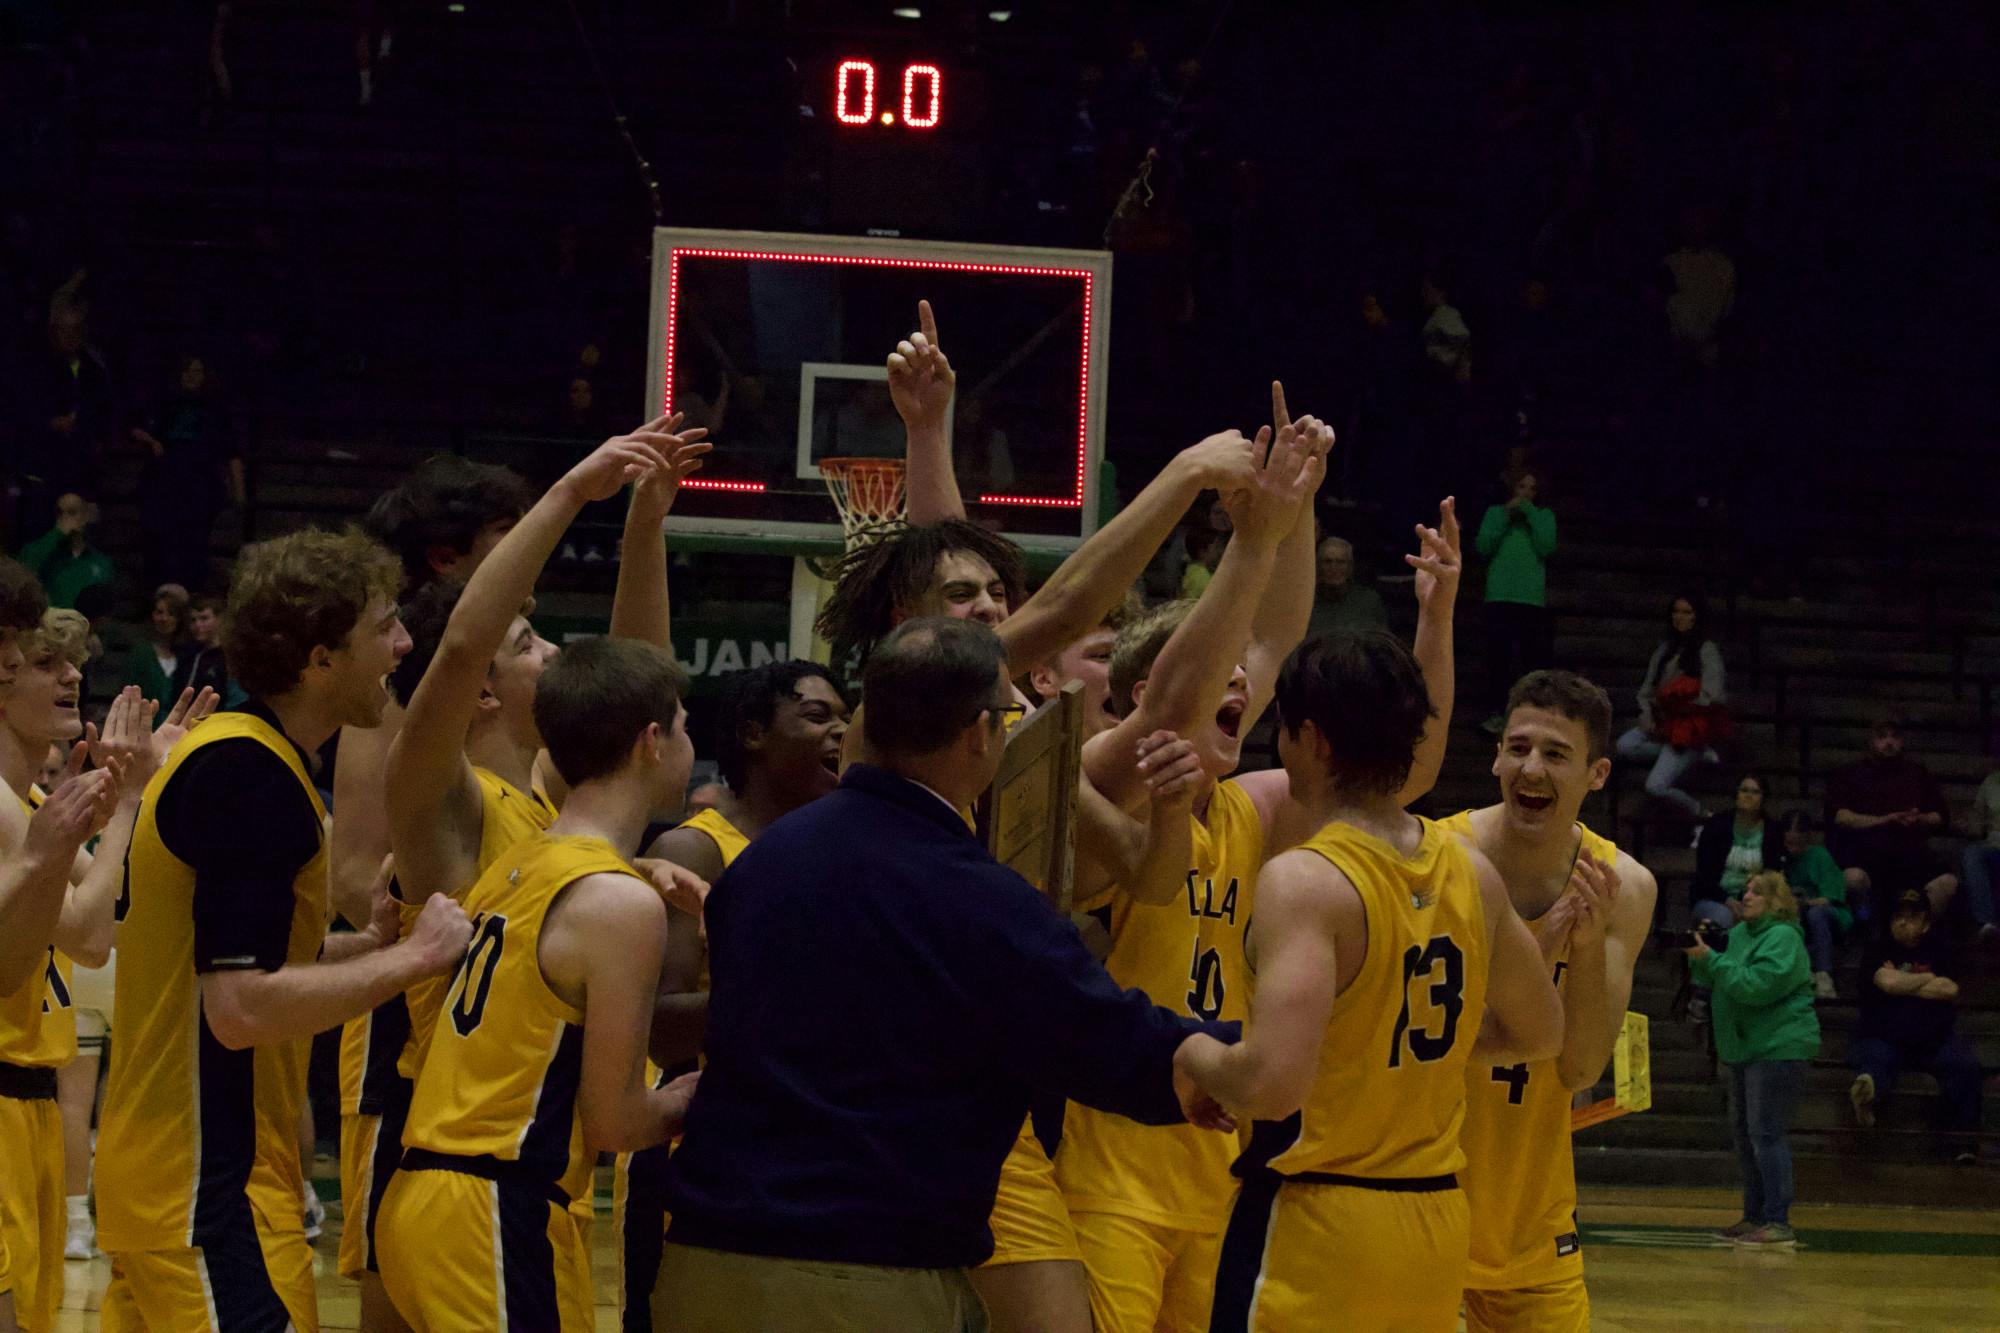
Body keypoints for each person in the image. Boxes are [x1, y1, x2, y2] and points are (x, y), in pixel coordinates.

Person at [654, 618, 1237, 1333]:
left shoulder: (762, 861)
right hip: (856, 1280)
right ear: (980, 734)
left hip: (701, 1266)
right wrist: (1230, 1058)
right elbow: (1100, 1038)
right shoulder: (975, 893)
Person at [330, 421, 705, 1332]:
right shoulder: (446, 799)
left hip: (510, 1145)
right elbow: (463, 647)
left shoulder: (545, 807)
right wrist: (572, 491)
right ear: (487, 688)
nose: (556, 654)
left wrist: (645, 526)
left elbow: (640, 693)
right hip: (427, 1112)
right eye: (531, 641)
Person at [94, 528, 474, 1333]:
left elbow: (233, 963)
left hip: (174, 1181)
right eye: (383, 627)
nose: (403, 645)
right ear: (320, 658)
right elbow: (240, 1007)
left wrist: (368, 948)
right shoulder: (249, 776)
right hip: (205, 1188)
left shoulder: (243, 755)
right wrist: (414, 958)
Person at [1177, 633, 1564, 1333]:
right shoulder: (1471, 871)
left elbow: (1272, 1085)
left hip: (1317, 1223)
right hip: (1434, 1225)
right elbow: (1541, 1031)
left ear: (1312, 739)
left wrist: (1193, 1052)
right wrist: (1393, 1050)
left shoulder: (1306, 879)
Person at [1053, 406, 1331, 1333]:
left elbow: (1275, 638)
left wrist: (1296, 508)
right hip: (1109, 1168)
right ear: (1147, 693)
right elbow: (1190, 691)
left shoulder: (1244, 808)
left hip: (1206, 1165)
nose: (1244, 687)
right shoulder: (1110, 787)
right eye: (1223, 679)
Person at [376, 636, 703, 1332]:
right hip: (494, 1204)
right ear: (651, 741)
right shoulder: (619, 902)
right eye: (683, 725)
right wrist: (691, 1095)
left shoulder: (521, 860)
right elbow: (616, 1121)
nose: (690, 741)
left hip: (430, 1195)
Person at [616, 659, 852, 1330]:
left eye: (846, 717)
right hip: (697, 1148)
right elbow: (661, 1028)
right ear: (753, 733)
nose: (841, 731)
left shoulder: (842, 850)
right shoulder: (695, 849)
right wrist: (796, 993)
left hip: (810, 1151)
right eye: (817, 716)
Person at [1442, 670, 1658, 1332]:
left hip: (1534, 1222)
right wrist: (1536, 953)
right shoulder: (1437, 856)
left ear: (1597, 774)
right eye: (1518, 747)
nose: (1531, 768)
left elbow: (1582, 1065)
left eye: (1556, 753)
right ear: (1496, 758)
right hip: (1421, 1200)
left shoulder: (1624, 886)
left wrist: (1585, 948)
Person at [0, 627, 160, 1333]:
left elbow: (107, 915)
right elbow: (92, 938)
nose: (72, 675)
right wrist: (127, 800)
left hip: (29, 1100)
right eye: (47, 663)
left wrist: (131, 792)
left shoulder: (33, 796)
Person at [327, 455, 536, 980]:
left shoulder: (522, 664)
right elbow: (353, 873)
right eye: (508, 531)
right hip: (432, 988)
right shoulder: (402, 679)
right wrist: (468, 969)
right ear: (445, 558)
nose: (534, 542)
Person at [1686, 871, 1819, 1249]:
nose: (1746, 896)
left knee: (1766, 1134)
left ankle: (1778, 1221)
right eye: (1745, 890)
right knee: (1746, 1138)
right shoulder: (1741, 934)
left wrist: (1715, 961)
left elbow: (1757, 986)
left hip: (1779, 1046)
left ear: (1777, 900)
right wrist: (1701, 954)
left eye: (1756, 891)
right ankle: (1755, 1216)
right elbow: (1714, 978)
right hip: (1746, 1048)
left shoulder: (1784, 937)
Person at [1849, 892, 1984, 1166]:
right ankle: (1868, 1097)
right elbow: (1887, 983)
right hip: (1883, 1034)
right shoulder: (1877, 949)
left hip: (1935, 1038)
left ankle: (1964, 1141)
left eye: (1911, 917)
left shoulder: (1940, 949)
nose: (1902, 922)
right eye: (1898, 916)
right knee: (1875, 1059)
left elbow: (1949, 989)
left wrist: (1903, 981)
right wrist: (1927, 978)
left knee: (1965, 1067)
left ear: (1926, 923)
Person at [128, 355, 245, 591]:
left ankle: (191, 595)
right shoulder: (165, 403)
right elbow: (136, 428)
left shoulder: (214, 409)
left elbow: (231, 451)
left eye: (197, 371)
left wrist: (239, 493)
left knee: (194, 545)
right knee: (160, 545)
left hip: (200, 488)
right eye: (187, 371)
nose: (192, 376)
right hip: (164, 486)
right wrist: (151, 441)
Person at [1824, 718, 1955, 926]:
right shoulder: (1850, 773)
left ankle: (1917, 928)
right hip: (1865, 854)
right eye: (1882, 737)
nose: (1889, 742)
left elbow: (1940, 816)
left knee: (1948, 882)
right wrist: (1884, 820)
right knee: (1853, 878)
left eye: (1894, 737)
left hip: (1911, 855)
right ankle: (1865, 924)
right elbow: (1840, 816)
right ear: (1871, 740)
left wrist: (1919, 818)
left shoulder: (1917, 773)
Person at [1615, 594, 1727, 819]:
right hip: (1662, 722)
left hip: (1687, 727)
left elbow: (1712, 695)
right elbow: (1647, 691)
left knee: (1655, 786)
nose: (1679, 617)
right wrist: (1648, 715)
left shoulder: (1707, 650)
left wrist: (1678, 708)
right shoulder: (1665, 649)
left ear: (1696, 616)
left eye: (1686, 612)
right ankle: (1690, 755)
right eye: (1676, 612)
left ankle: (1700, 810)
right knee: (1624, 746)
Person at [1474, 468, 1555, 732]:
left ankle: (1532, 714)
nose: (1526, 494)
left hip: (1530, 601)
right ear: (1512, 488)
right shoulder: (1495, 513)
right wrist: (1506, 514)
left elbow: (1546, 546)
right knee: (1498, 660)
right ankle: (1497, 713)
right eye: (1522, 487)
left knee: (1531, 661)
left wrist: (1529, 513)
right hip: (1499, 597)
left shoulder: (1544, 516)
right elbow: (1483, 546)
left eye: (1532, 489)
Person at [1690, 774, 1783, 931]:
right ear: (1736, 794)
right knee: (1726, 920)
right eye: (1744, 790)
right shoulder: (1717, 825)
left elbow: (1771, 873)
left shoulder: (1772, 830)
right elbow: (1704, 876)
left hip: (1756, 899)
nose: (1748, 795)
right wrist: (1727, 900)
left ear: (1763, 798)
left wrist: (1752, 901)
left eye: (1755, 792)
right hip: (1714, 898)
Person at [1776, 811, 1852, 999]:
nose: (1792, 848)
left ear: (1807, 837)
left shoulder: (1820, 856)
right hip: (1796, 915)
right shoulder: (1781, 859)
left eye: (1797, 843)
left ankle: (1823, 973)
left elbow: (1830, 897)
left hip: (1828, 913)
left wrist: (1803, 903)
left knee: (1815, 913)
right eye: (1788, 843)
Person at [15, 493, 114, 611]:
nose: (65, 518)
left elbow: (106, 606)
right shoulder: (46, 554)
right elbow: (25, 567)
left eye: (72, 512)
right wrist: (57, 533)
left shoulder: (100, 562)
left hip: (85, 621)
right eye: (60, 513)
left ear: (85, 516)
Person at [119, 583, 191, 710]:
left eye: (171, 614)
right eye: (159, 612)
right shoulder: (141, 651)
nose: (164, 618)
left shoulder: (187, 656)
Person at [1305, 534, 1387, 638]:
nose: (1333, 568)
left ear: (1350, 567)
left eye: (1340, 562)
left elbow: (1382, 642)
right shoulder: (1305, 603)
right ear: (1317, 566)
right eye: (1327, 562)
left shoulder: (1369, 602)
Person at [1955, 759, 2000, 947]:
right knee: (1972, 854)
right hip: (1994, 848)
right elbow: (1978, 821)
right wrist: (1966, 825)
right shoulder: (1992, 782)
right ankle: (1986, 923)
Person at [171, 595, 243, 706]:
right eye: (193, 620)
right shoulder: (189, 656)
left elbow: (236, 698)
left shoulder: (230, 655)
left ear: (219, 619)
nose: (198, 625)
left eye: (204, 618)